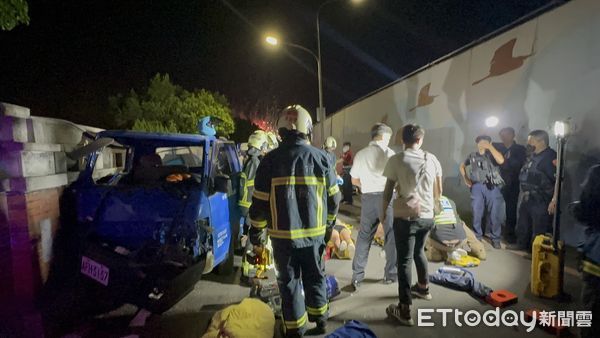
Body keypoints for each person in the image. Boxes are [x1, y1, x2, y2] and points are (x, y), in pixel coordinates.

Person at [249, 105, 341, 337]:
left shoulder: (268, 162)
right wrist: (329, 226)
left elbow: (259, 205)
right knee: (315, 277)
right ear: (307, 129)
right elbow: (335, 199)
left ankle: (294, 329)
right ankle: (320, 321)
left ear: (280, 131)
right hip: (314, 238)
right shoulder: (321, 159)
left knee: (288, 284)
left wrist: (256, 232)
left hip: (283, 239)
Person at [381, 124, 443, 327]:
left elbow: (388, 191)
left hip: (407, 217)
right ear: (420, 140)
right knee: (419, 251)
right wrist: (434, 208)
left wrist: (383, 214)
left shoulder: (397, 160)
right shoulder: (432, 158)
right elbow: (439, 190)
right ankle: (423, 288)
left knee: (404, 260)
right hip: (427, 217)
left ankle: (405, 309)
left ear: (402, 140)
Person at [350, 123, 397, 291]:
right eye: (389, 138)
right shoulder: (391, 154)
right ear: (383, 136)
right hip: (387, 198)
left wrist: (366, 186)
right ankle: (391, 275)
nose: (389, 141)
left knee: (364, 237)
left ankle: (357, 276)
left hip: (368, 198)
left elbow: (354, 180)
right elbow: (396, 180)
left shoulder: (361, 154)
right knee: (390, 236)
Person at [509, 130, 557, 251]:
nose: (528, 144)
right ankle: (521, 245)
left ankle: (536, 251)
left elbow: (558, 180)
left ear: (541, 142)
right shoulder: (532, 156)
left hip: (541, 199)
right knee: (523, 223)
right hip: (527, 196)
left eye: (531, 141)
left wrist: (554, 200)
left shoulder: (550, 157)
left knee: (539, 227)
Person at [459, 135, 506, 249]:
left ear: (490, 143)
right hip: (477, 186)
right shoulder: (472, 155)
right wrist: (466, 178)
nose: (482, 143)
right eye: (480, 142)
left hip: (492, 186)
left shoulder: (493, 154)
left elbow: (501, 160)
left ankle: (495, 238)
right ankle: (477, 236)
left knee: (495, 213)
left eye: (485, 142)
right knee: (477, 212)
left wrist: (490, 147)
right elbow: (462, 166)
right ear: (477, 143)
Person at [572, 164, 600, 338]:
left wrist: (577, 208)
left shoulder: (597, 173)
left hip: (596, 258)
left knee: (592, 311)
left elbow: (584, 211)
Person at [493, 127, 527, 243]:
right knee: (493, 207)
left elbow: (515, 165)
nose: (504, 138)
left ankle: (510, 235)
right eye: (501, 135)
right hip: (497, 182)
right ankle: (493, 231)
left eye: (506, 135)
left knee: (511, 210)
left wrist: (503, 161)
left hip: (513, 183)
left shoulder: (520, 149)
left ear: (513, 135)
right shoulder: (497, 147)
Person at [238, 131, 268, 244]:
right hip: (249, 204)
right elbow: (253, 187)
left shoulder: (250, 160)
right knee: (253, 237)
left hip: (246, 204)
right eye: (264, 145)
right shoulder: (255, 162)